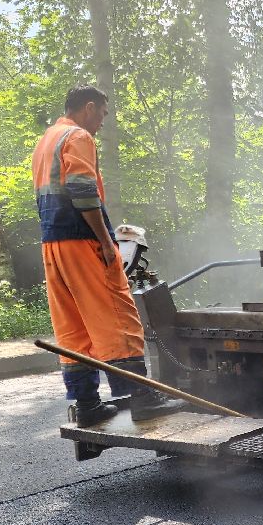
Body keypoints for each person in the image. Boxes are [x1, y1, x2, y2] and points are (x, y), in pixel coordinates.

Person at [33, 86, 183, 427]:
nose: (102, 122)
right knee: (118, 317)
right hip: (82, 242)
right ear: (88, 108)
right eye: (102, 113)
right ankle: (143, 397)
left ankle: (87, 404)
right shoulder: (78, 135)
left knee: (74, 327)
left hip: (52, 245)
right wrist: (104, 241)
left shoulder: (46, 140)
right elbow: (83, 191)